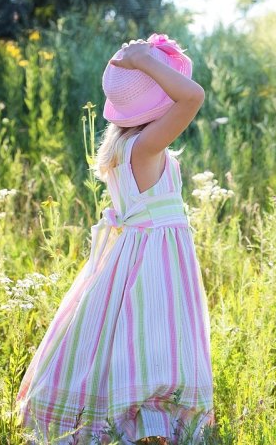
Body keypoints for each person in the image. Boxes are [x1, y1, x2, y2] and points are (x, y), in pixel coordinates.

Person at [14, 33, 215, 445]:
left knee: (120, 337)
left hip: (134, 252)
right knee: (154, 336)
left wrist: (143, 62)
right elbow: (193, 97)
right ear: (159, 99)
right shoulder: (145, 147)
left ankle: (128, 417)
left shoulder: (125, 145)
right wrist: (144, 59)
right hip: (155, 258)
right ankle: (150, 423)